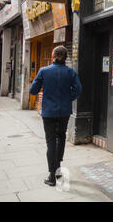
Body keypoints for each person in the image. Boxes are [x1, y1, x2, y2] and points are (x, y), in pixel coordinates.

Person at [29, 46, 82, 186]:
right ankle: (57, 171)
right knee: (61, 137)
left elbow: (33, 90)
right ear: (66, 57)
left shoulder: (44, 71)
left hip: (48, 112)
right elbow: (78, 89)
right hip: (64, 112)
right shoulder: (70, 72)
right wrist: (67, 98)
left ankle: (52, 176)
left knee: (51, 142)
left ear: (53, 56)